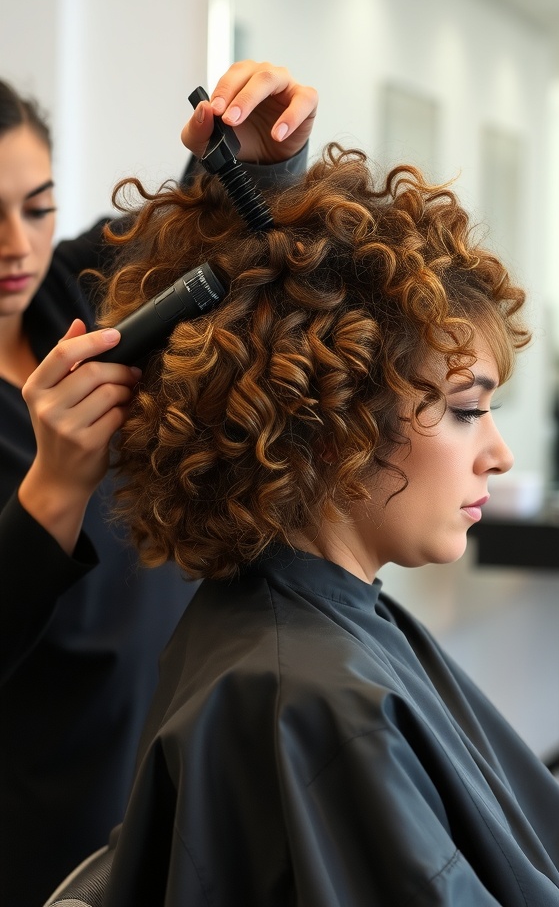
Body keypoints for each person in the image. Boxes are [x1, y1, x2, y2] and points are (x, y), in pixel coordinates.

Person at [47, 139, 559, 906]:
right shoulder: (315, 698)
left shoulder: (284, 641)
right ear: (335, 431)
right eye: (466, 412)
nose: (498, 452)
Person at [0, 61, 317, 906]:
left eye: (37, 208)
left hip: (184, 768)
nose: (16, 246)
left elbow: (206, 232)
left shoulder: (72, 292)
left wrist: (262, 156)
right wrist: (54, 487)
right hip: (44, 830)